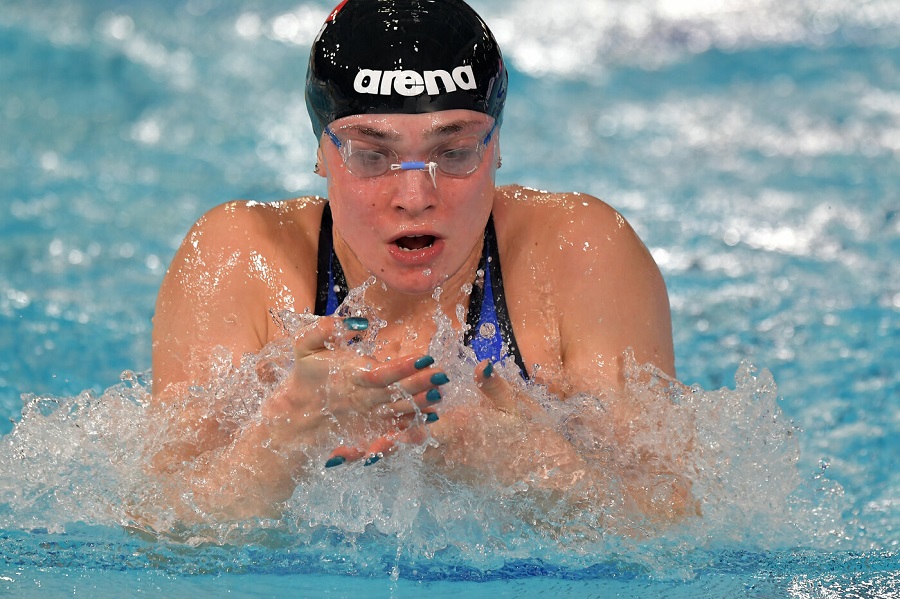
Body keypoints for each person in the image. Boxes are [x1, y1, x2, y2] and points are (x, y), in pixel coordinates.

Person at [149, 0, 690, 525]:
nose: (414, 197)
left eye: (453, 153)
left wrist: (531, 465)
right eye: (370, 155)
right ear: (321, 153)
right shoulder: (240, 258)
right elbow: (156, 530)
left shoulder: (580, 251)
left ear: (496, 147)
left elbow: (673, 525)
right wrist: (283, 433)